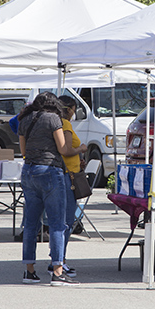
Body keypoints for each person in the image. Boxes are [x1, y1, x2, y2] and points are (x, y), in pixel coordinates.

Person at [18, 92, 82, 286]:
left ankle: (29, 272)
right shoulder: (53, 118)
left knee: (30, 225)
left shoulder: (24, 118)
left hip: (28, 171)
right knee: (57, 223)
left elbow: (22, 151)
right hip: (49, 171)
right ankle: (57, 271)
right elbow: (63, 149)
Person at [57, 95, 88, 277]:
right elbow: (66, 150)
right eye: (75, 109)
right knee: (67, 221)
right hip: (68, 177)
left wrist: (78, 159)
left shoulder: (55, 123)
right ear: (69, 109)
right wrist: (81, 150)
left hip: (66, 173)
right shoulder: (65, 124)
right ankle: (60, 261)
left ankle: (58, 259)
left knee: (62, 221)